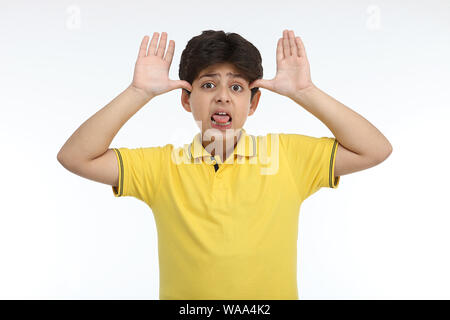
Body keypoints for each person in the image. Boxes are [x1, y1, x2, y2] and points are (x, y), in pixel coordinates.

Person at [57, 29, 393, 300]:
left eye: (236, 86)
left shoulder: (289, 156)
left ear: (254, 100)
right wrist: (138, 92)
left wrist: (304, 91)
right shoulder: (161, 166)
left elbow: (374, 150)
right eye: (207, 85)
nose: (222, 96)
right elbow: (75, 157)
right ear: (186, 99)